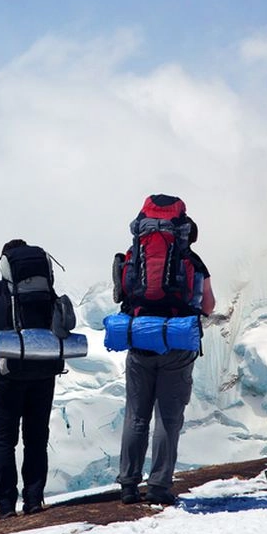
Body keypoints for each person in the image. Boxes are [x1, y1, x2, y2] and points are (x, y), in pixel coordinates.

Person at [116, 212, 216, 506]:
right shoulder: (194, 262)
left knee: (136, 415)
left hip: (140, 342)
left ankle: (129, 486)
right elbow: (209, 305)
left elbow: (121, 293)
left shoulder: (134, 255)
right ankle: (159, 486)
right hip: (176, 344)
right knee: (168, 418)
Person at [0, 238, 62, 520]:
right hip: (44, 372)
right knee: (36, 438)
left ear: (4, 263)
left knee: (4, 441)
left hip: (8, 374)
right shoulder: (47, 291)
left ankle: (6, 506)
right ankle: (34, 500)